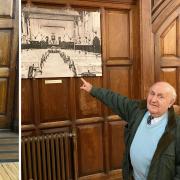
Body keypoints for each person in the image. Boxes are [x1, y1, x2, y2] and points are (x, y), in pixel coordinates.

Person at [80, 78, 180, 180]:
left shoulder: (177, 127)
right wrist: (93, 89)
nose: (153, 100)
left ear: (170, 103)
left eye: (160, 96)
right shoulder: (137, 110)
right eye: (152, 93)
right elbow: (116, 100)